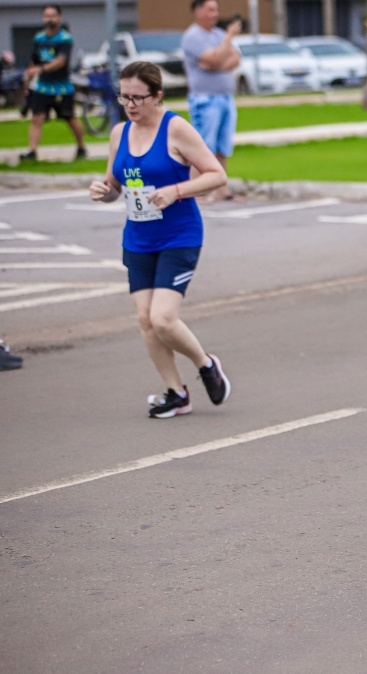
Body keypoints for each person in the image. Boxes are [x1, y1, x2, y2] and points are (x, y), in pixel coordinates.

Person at [87, 62, 233, 418]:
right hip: (138, 237)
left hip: (179, 236)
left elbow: (217, 175)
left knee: (163, 318)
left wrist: (176, 191)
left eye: (138, 98)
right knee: (145, 320)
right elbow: (115, 184)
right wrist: (103, 191)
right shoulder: (120, 133)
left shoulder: (175, 128)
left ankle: (206, 364)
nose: (130, 105)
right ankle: (176, 392)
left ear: (157, 96)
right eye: (124, 97)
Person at [182, 0, 242, 202]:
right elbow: (215, 58)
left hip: (225, 97)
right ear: (198, 12)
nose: (215, 14)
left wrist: (216, 63)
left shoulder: (218, 35)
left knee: (222, 147)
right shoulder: (193, 36)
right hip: (205, 99)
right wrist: (229, 39)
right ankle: (194, 191)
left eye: (216, 10)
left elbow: (235, 58)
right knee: (203, 146)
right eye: (210, 10)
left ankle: (221, 191)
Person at [19, 4, 87, 162]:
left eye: (53, 15)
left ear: (59, 17)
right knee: (37, 118)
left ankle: (81, 147)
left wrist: (40, 69)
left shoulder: (65, 39)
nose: (50, 19)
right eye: (47, 16)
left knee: (70, 118)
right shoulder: (39, 38)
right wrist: (27, 80)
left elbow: (60, 61)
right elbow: (33, 62)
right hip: (43, 87)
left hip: (62, 87)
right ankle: (32, 151)